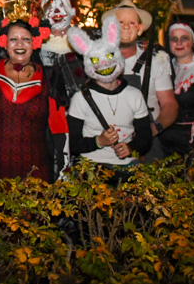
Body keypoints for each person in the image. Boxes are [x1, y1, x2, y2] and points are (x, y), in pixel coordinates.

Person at [66, 16, 154, 182]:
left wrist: (131, 148)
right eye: (95, 60)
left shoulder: (134, 95)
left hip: (128, 171)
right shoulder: (80, 98)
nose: (104, 64)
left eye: (109, 57)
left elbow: (145, 137)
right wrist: (99, 141)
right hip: (92, 171)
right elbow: (72, 142)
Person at [101, 0, 177, 161]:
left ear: (140, 29)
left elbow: (170, 104)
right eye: (120, 22)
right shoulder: (97, 60)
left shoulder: (156, 60)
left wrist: (154, 128)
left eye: (132, 22)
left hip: (147, 144)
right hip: (108, 144)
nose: (126, 26)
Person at [0, 19, 55, 182]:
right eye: (13, 39)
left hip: (36, 172)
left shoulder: (49, 77)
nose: (19, 44)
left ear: (34, 43)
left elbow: (59, 127)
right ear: (5, 43)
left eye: (26, 39)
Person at [37, 0, 86, 177]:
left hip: (81, 123)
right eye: (50, 6)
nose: (56, 11)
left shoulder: (85, 44)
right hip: (46, 125)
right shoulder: (32, 46)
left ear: (72, 11)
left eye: (61, 5)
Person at [158, 22, 194, 156]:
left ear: (193, 42)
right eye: (174, 39)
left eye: (184, 38)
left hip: (191, 144)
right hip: (163, 144)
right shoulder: (162, 68)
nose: (178, 43)